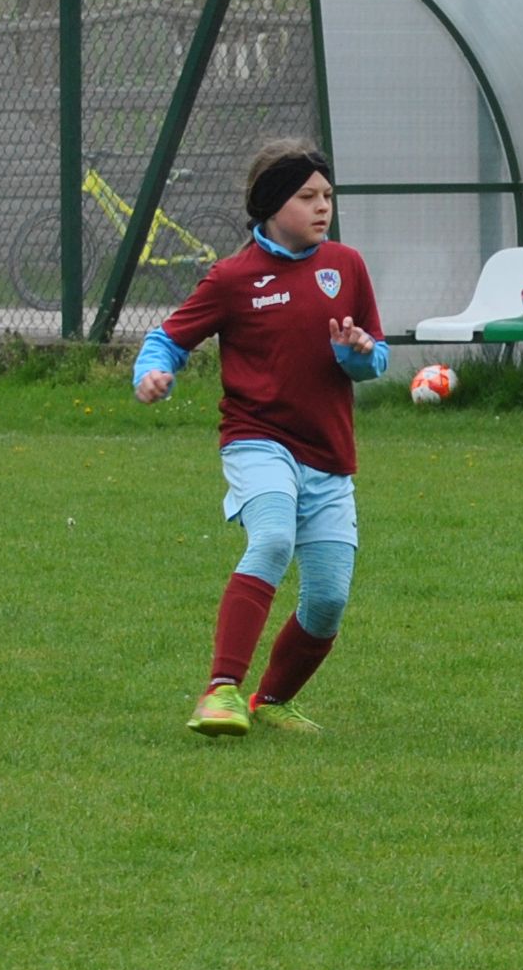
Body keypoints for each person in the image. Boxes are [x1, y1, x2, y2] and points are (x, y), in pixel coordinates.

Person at [133, 140, 388, 738]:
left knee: (326, 603)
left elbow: (375, 358)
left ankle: (270, 700)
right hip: (258, 440)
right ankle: (220, 690)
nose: (323, 207)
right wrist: (152, 374)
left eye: (327, 195)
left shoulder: (346, 266)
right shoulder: (233, 277)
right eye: (307, 196)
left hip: (329, 456)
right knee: (272, 539)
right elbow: (167, 338)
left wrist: (358, 354)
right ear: (272, 203)